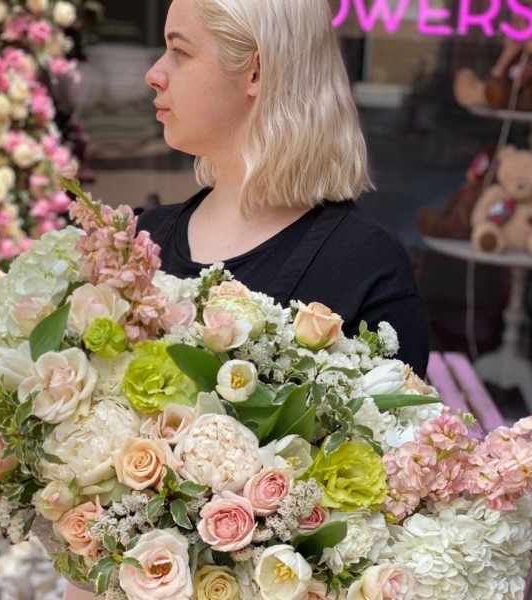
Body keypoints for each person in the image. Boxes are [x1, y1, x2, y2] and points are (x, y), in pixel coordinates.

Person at [63, 1, 429, 594]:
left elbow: (393, 508)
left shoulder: (364, 268)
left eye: (180, 52)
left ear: (255, 71)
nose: (154, 73)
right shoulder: (141, 244)